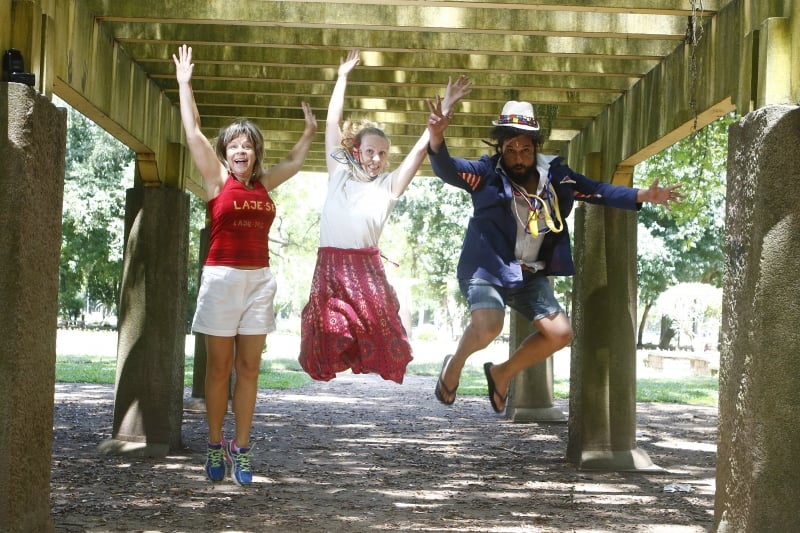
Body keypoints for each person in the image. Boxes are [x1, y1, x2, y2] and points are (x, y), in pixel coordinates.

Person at [427, 98, 684, 412]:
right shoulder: (486, 174)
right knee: (489, 325)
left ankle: (502, 373)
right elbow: (449, 169)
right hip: (488, 268)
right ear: (500, 147)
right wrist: (437, 138)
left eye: (525, 150)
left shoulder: (557, 176)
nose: (518, 158)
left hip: (528, 273)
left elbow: (598, 190)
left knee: (560, 333)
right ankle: (454, 365)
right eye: (510, 150)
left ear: (536, 147)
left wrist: (643, 195)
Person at [173, 44, 317, 484]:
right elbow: (194, 131)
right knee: (219, 368)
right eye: (235, 145)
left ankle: (243, 447)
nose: (242, 152)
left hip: (259, 281)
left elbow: (294, 162)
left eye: (248, 147)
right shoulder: (217, 179)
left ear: (255, 154)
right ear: (226, 151)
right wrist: (184, 84)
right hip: (221, 280)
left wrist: (310, 131)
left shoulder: (263, 184)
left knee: (249, 369)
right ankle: (215, 446)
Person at [298, 50, 472, 384]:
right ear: (355, 152)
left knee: (381, 330)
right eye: (369, 152)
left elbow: (421, 148)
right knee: (328, 327)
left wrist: (446, 107)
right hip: (331, 264)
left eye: (382, 154)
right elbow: (332, 123)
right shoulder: (338, 173)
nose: (376, 158)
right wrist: (343, 76)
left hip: (365, 268)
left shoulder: (388, 187)